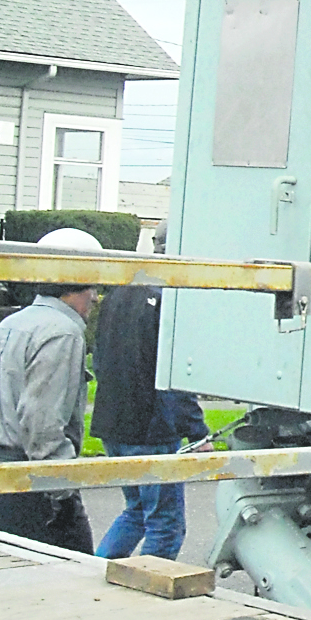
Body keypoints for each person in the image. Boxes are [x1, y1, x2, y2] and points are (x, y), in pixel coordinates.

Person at [94, 225, 210, 562]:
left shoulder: (121, 290)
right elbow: (175, 374)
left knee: (136, 511)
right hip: (151, 426)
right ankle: (146, 595)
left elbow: (101, 360)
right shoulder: (172, 296)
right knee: (165, 524)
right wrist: (197, 431)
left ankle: (97, 573)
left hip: (113, 421)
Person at [0, 225, 102, 554]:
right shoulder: (63, 332)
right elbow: (41, 421)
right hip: (32, 482)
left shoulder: (13, 323)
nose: (95, 296)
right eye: (91, 285)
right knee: (73, 582)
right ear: (75, 283)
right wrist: (62, 493)